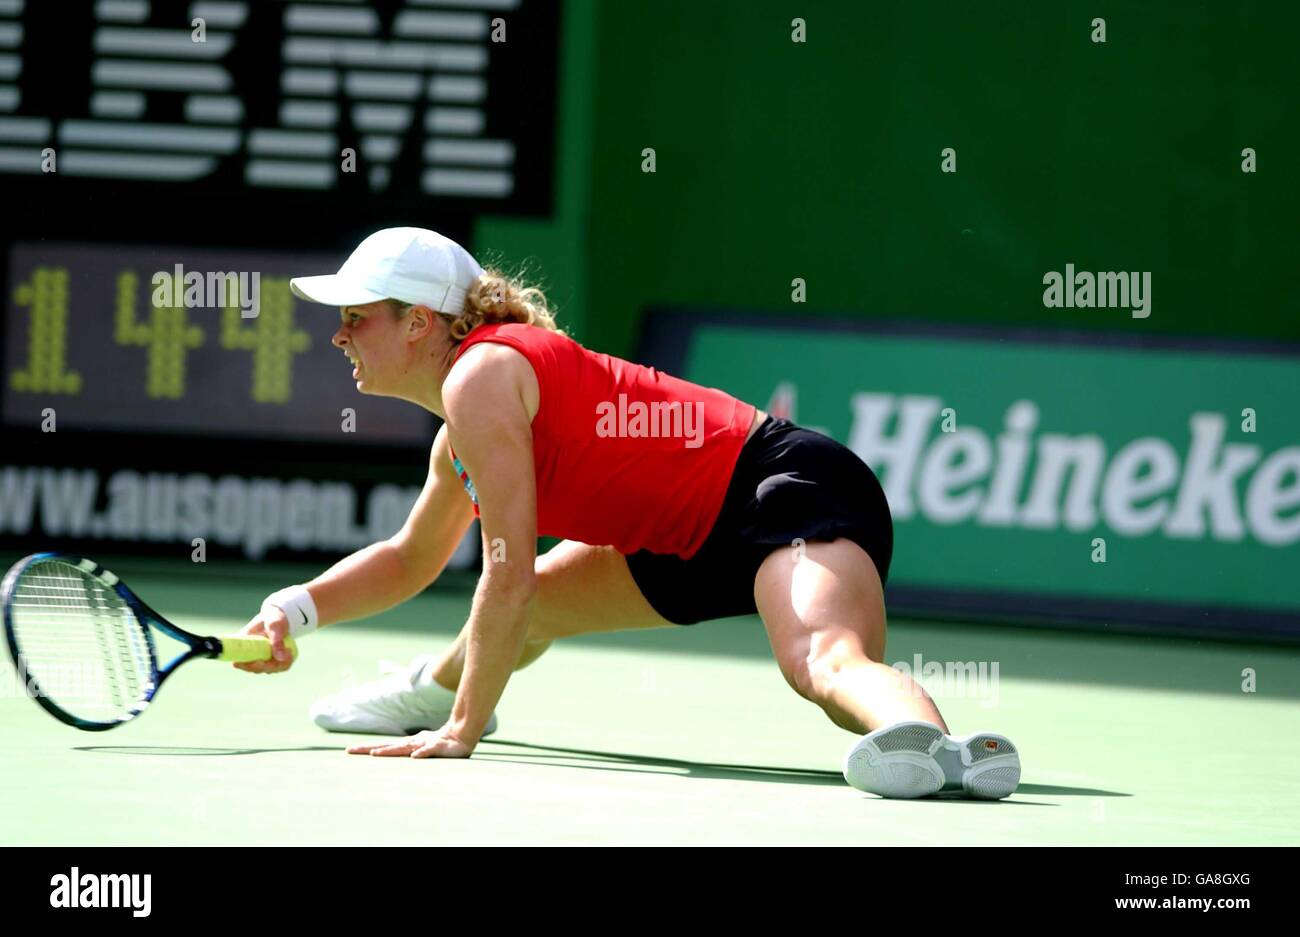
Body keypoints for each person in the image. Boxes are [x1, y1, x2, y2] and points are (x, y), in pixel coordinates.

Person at [239, 227, 1021, 800]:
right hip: (678, 544)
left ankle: (951, 752)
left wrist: (464, 734)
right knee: (537, 603)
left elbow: (501, 576)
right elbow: (412, 558)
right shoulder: (459, 433)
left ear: (417, 321)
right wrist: (291, 608)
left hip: (775, 485)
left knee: (821, 665)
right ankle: (429, 689)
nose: (339, 333)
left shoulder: (480, 378)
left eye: (357, 314)